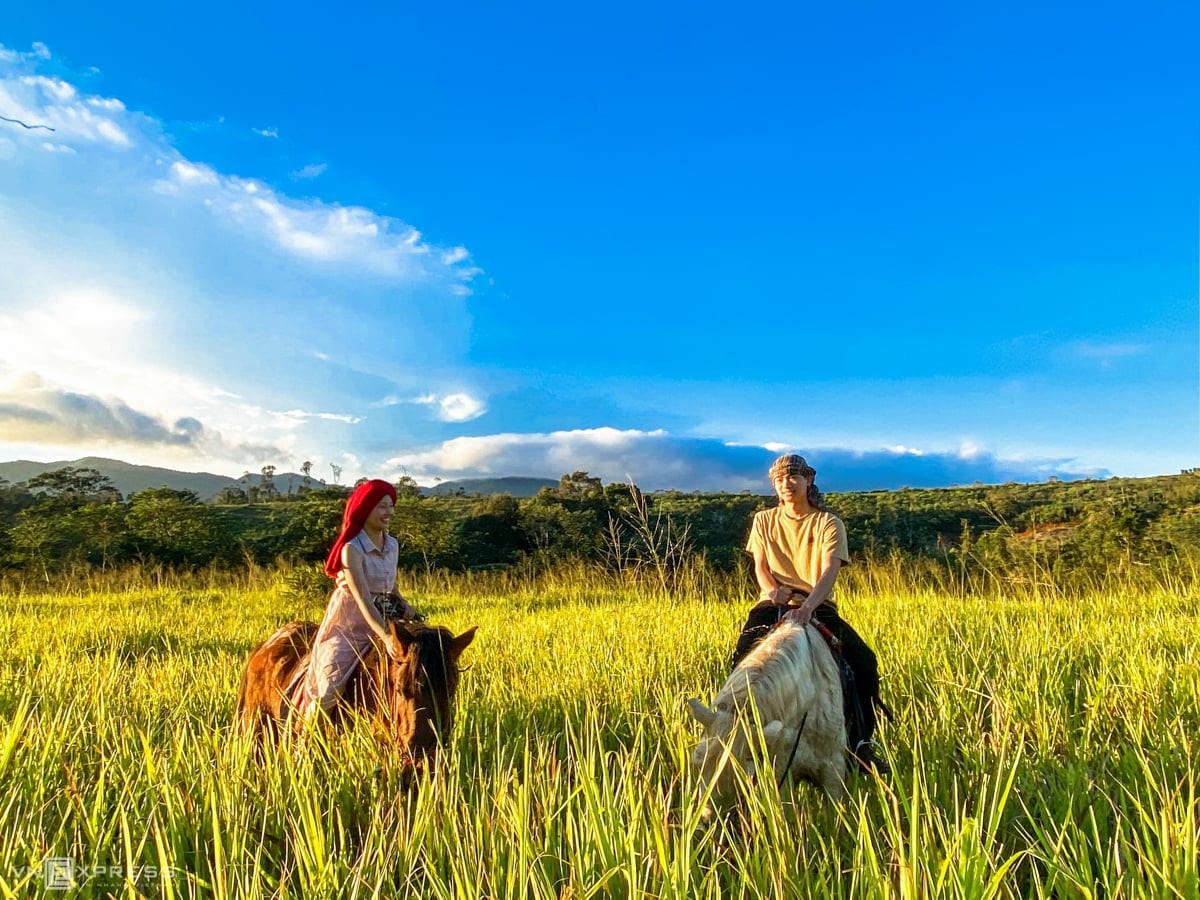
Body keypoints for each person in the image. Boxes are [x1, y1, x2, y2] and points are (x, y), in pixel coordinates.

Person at [735, 453, 889, 773]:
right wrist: (773, 590)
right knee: (740, 661)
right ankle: (733, 736)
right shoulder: (764, 520)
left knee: (863, 662)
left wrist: (807, 608)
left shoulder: (828, 522)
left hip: (817, 603)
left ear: (808, 480)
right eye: (779, 480)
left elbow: (828, 571)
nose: (786, 484)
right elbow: (760, 566)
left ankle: (861, 746)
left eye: (793, 477)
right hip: (772, 603)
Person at [297, 478, 420, 724]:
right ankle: (303, 744)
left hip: (386, 617)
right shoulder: (351, 549)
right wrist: (386, 638)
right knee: (327, 691)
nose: (389, 512)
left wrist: (405, 606)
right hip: (351, 626)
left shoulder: (393, 544)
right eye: (382, 506)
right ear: (365, 509)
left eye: (391, 506)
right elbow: (363, 599)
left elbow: (391, 586)